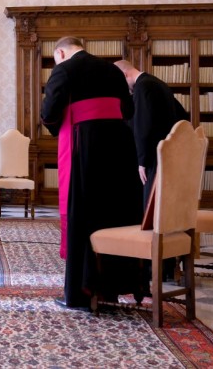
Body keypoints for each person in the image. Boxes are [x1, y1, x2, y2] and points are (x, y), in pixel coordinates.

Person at [41, 36, 144, 309]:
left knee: (84, 214)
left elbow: (49, 113)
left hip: (84, 147)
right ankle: (111, 287)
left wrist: (59, 126)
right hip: (119, 147)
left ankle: (81, 293)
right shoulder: (113, 70)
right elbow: (128, 110)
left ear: (60, 53)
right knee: (113, 212)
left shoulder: (64, 70)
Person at [114, 60, 190, 209]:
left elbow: (143, 125)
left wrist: (142, 161)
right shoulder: (158, 83)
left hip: (153, 156)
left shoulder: (142, 87)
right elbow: (183, 116)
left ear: (124, 74)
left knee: (150, 206)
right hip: (169, 153)